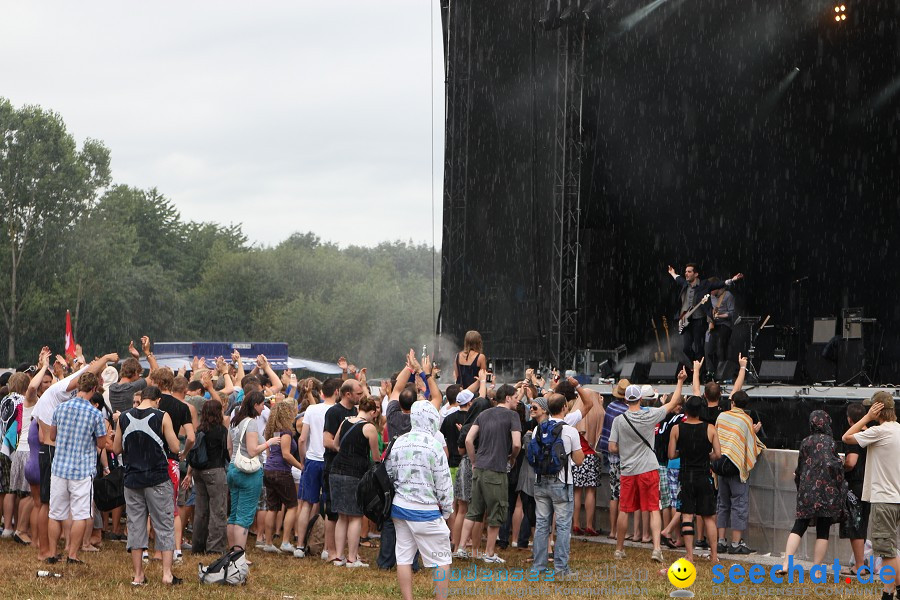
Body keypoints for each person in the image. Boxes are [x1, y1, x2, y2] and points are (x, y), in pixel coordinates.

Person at [115, 386, 182, 585]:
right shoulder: (162, 416)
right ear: (158, 400)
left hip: (132, 479)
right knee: (164, 525)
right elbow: (175, 447)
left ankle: (138, 575)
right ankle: (167, 574)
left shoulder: (124, 417)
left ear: (141, 397)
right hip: (157, 478)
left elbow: (117, 448)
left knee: (135, 525)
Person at [387, 400, 454, 600]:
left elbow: (389, 473)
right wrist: (447, 510)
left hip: (400, 507)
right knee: (442, 558)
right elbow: (444, 483)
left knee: (404, 557)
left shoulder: (399, 441)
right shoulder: (434, 446)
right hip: (426, 510)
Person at [609, 384, 683, 562]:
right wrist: (680, 382)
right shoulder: (651, 415)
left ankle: (619, 549)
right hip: (649, 468)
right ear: (640, 399)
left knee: (625, 510)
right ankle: (656, 549)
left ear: (626, 400)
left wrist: (625, 450)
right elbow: (673, 403)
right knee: (653, 509)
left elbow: (611, 447)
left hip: (628, 470)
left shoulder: (619, 420)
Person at [46, 371, 114, 565]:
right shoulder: (94, 413)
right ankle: (72, 555)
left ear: (77, 387)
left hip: (59, 467)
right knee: (81, 514)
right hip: (82, 469)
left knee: (55, 513)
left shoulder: (61, 407)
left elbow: (52, 436)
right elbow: (101, 444)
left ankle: (52, 553)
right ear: (93, 389)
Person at [842, 392, 900, 600]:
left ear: (878, 409)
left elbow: (846, 437)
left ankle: (887, 593)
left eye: (871, 408)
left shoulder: (880, 431)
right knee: (891, 548)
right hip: (896, 498)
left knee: (886, 552)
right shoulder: (898, 430)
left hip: (884, 499)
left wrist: (865, 419)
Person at [456, 384, 522, 563]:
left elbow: (469, 439)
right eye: (516, 397)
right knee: (497, 511)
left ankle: (461, 548)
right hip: (497, 470)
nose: (518, 400)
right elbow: (517, 444)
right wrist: (512, 458)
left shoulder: (483, 414)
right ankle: (489, 553)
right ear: (507, 398)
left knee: (473, 510)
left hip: (480, 469)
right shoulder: (513, 416)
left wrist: (474, 460)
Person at [777, 410, 845, 576]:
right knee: (823, 530)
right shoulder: (830, 442)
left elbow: (800, 468)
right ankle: (816, 569)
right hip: (826, 492)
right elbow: (835, 466)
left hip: (807, 490)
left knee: (799, 525)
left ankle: (786, 563)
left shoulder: (805, 442)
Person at [529, 393, 584, 578]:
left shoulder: (538, 429)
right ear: (565, 408)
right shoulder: (570, 431)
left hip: (540, 481)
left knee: (542, 524)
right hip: (561, 481)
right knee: (562, 526)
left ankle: (538, 567)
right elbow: (578, 460)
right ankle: (561, 569)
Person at [668, 395, 721, 564]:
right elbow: (718, 455)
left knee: (687, 516)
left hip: (686, 476)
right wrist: (707, 455)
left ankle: (689, 555)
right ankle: (714, 555)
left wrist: (681, 452)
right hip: (704, 476)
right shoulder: (710, 428)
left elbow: (670, 454)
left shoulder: (677, 429)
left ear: (686, 410)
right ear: (700, 411)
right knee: (708, 516)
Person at [330, 396, 381, 568]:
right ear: (373, 412)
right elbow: (375, 457)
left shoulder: (344, 422)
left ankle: (338, 556)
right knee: (356, 516)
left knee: (342, 516)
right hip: (355, 473)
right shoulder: (369, 428)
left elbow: (335, 444)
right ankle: (352, 558)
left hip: (336, 470)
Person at [226, 391, 279, 555]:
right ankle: (239, 556)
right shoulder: (251, 424)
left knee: (233, 515)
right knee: (244, 516)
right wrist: (269, 443)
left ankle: (232, 552)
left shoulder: (235, 421)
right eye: (262, 404)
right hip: (248, 473)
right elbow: (252, 450)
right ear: (255, 405)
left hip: (234, 468)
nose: (264, 408)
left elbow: (229, 447)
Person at [293, 376, 340, 559]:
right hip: (330, 460)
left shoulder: (311, 409)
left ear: (321, 393)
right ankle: (328, 548)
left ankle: (299, 545)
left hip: (312, 459)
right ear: (337, 392)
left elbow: (302, 438)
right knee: (328, 506)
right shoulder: (338, 411)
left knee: (306, 504)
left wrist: (303, 460)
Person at [715, 388, 764, 555]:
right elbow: (750, 445)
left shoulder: (721, 416)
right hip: (736, 468)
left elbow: (717, 437)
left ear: (732, 403)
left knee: (722, 503)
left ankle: (720, 541)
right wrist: (754, 432)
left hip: (721, 465)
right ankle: (736, 543)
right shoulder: (746, 420)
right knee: (739, 504)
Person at [322, 379, 364, 563]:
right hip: (334, 466)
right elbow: (327, 441)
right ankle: (330, 550)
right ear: (348, 394)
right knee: (333, 510)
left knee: (347, 513)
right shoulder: (334, 412)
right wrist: (345, 450)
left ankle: (346, 551)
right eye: (359, 394)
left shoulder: (355, 412)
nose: (361, 397)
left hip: (352, 469)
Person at [667, 263, 743, 363]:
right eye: (685, 271)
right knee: (686, 348)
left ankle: (701, 374)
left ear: (696, 274)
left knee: (699, 348)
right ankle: (696, 365)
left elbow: (718, 284)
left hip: (699, 320)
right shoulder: (685, 284)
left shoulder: (704, 284)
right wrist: (672, 273)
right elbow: (677, 278)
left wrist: (732, 280)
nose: (686, 273)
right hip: (686, 321)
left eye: (689, 271)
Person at [183, 398, 229, 555]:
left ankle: (198, 545)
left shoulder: (199, 429)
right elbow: (226, 453)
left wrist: (189, 473)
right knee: (218, 510)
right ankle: (215, 547)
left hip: (199, 471)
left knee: (201, 510)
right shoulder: (221, 430)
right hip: (215, 471)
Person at [261, 401, 303, 554]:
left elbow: (269, 452)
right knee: (292, 506)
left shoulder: (272, 431)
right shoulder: (286, 432)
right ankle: (285, 541)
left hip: (269, 470)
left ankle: (268, 542)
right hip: (281, 472)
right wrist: (301, 466)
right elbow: (286, 455)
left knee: (273, 507)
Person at [840, 402, 871, 576]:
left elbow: (851, 462)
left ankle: (859, 565)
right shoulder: (871, 433)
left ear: (850, 419)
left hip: (855, 486)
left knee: (855, 524)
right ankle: (862, 561)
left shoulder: (854, 436)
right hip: (870, 484)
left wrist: (840, 468)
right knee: (863, 524)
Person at [598, 378, 630, 540]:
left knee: (613, 494)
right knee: (624, 494)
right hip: (624, 456)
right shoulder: (626, 411)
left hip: (611, 457)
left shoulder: (610, 406)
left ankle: (612, 530)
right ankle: (622, 530)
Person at [107, 337, 158, 414]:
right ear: (135, 373)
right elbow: (155, 374)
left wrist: (136, 358)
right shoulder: (131, 388)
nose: (140, 377)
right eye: (139, 374)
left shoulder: (112, 388)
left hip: (117, 425)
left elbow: (131, 375)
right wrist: (147, 352)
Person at [706, 281, 735, 379]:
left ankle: (722, 374)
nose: (710, 292)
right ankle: (713, 372)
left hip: (725, 324)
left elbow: (731, 313)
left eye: (711, 289)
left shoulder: (728, 295)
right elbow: (709, 310)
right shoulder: (711, 297)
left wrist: (720, 316)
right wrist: (710, 320)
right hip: (714, 325)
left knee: (720, 347)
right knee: (710, 350)